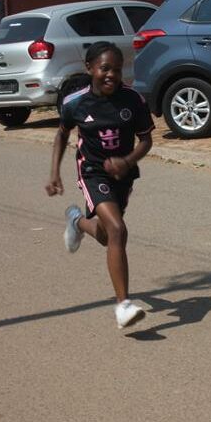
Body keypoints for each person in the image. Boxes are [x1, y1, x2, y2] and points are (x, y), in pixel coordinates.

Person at [45, 41, 154, 329]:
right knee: (118, 230)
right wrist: (54, 172)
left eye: (117, 70)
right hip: (92, 172)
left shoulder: (133, 100)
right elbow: (62, 134)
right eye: (105, 68)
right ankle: (123, 306)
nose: (111, 75)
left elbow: (146, 140)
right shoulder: (75, 102)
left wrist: (127, 161)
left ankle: (77, 222)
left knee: (108, 236)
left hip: (123, 175)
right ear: (90, 68)